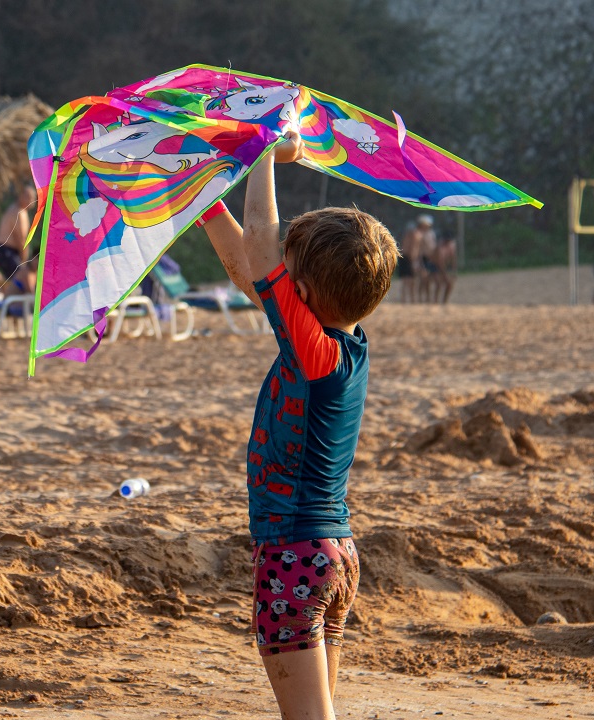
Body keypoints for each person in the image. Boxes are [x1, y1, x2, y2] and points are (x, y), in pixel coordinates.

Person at [196, 132, 398, 720]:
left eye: (285, 277)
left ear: (302, 295)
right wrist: (202, 201)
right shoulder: (341, 344)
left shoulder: (315, 355)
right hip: (332, 554)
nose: (273, 279)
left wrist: (261, 155)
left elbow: (260, 247)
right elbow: (250, 269)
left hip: (294, 554)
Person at [0, 185, 37, 293]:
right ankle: (19, 302)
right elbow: (21, 239)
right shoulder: (19, 212)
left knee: (16, 277)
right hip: (7, 251)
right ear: (21, 196)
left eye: (33, 198)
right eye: (28, 196)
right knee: (22, 275)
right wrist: (24, 260)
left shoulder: (17, 210)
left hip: (5, 251)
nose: (31, 200)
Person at [415, 214, 437, 302]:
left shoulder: (431, 233)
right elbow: (419, 248)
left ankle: (428, 297)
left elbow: (433, 245)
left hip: (431, 258)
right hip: (423, 258)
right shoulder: (419, 234)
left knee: (430, 280)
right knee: (423, 279)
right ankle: (420, 297)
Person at [397, 221, 420, 302]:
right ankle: (411, 299)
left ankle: (404, 299)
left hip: (404, 257)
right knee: (410, 281)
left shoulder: (407, 235)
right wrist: (414, 261)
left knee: (405, 281)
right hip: (408, 258)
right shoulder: (414, 236)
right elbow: (412, 250)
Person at [431, 235, 457, 304]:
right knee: (438, 283)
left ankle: (445, 301)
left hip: (445, 265)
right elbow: (440, 262)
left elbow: (453, 259)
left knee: (449, 284)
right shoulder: (440, 248)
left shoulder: (451, 246)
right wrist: (445, 275)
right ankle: (435, 301)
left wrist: (453, 272)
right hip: (434, 265)